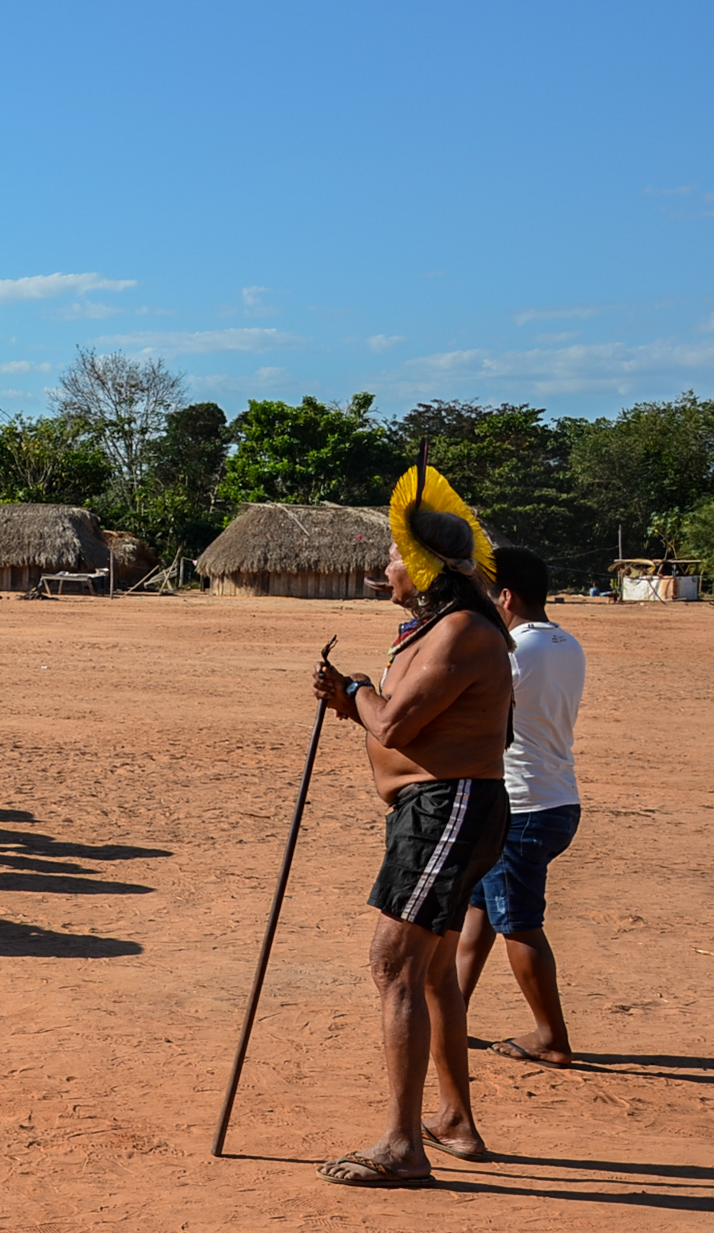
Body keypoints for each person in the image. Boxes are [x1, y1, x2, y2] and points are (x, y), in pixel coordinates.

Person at [312, 462, 515, 1187]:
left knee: (394, 963)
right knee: (428, 972)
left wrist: (359, 691)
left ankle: (402, 1143)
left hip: (447, 809)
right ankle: (454, 1119)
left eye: (396, 553)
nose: (387, 565)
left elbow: (395, 723)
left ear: (424, 563)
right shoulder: (441, 626)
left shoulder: (460, 630)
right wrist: (349, 698)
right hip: (442, 809)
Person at [456, 546, 586, 1068]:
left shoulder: (511, 651)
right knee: (481, 909)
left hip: (520, 804)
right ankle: (450, 1008)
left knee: (519, 922)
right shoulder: (565, 643)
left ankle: (551, 1036)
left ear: (504, 596)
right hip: (557, 796)